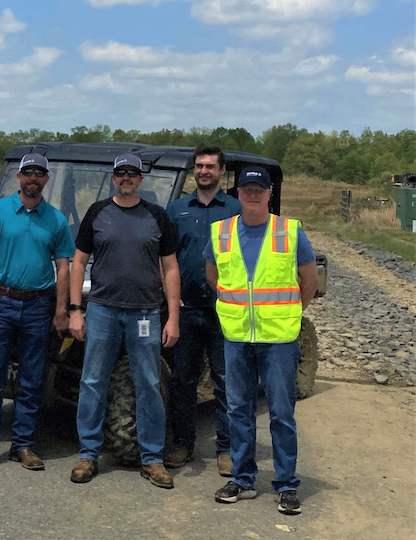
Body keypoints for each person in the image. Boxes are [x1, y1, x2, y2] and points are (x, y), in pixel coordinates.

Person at [206, 166, 318, 515]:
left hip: (278, 338)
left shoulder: (290, 231)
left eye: (259, 189)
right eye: (247, 188)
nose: (253, 194)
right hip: (237, 335)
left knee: (281, 413)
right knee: (238, 410)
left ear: (269, 193)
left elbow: (308, 280)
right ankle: (242, 479)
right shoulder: (220, 232)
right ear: (237, 192)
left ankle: (286, 484)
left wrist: (288, 313)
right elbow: (214, 278)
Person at [68, 153, 180, 489]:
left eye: (132, 173)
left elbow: (171, 268)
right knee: (92, 381)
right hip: (102, 309)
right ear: (113, 177)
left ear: (141, 179)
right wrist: (75, 310)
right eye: (121, 173)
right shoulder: (98, 213)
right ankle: (88, 453)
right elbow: (78, 262)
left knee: (148, 383)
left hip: (145, 311)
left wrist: (173, 316)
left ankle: (152, 458)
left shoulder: (156, 217)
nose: (126, 178)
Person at [0, 153, 74, 473]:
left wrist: (61, 309)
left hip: (38, 305)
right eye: (27, 173)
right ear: (19, 177)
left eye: (39, 174)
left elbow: (63, 266)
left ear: (46, 179)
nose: (33, 179)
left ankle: (23, 445)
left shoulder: (55, 219)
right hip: (2, 301)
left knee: (32, 378)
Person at [165, 146, 241, 476]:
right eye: (199, 166)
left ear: (221, 171)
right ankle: (183, 443)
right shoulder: (177, 209)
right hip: (185, 308)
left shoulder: (236, 209)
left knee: (226, 381)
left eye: (210, 166)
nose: (204, 171)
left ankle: (226, 449)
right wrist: (169, 299)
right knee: (183, 380)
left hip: (224, 310)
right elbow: (165, 257)